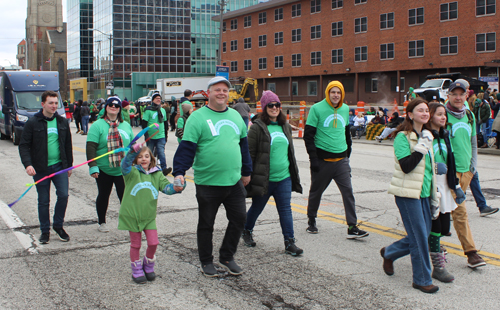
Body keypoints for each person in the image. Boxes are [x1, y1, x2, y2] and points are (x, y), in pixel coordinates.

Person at [172, 76, 252, 277]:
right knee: (207, 224)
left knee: (240, 219)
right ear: (209, 94)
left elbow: (243, 147)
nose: (222, 93)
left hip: (233, 181)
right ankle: (206, 261)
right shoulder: (197, 118)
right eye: (217, 90)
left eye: (225, 90)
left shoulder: (235, 116)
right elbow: (187, 148)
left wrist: (246, 171)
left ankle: (227, 256)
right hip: (208, 182)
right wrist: (179, 172)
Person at [382, 98, 440, 294]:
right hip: (408, 194)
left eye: (427, 111)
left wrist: (435, 193)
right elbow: (407, 166)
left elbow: (428, 169)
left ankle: (390, 252)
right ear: (410, 114)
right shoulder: (402, 137)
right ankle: (422, 279)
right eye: (420, 110)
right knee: (420, 239)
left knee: (421, 235)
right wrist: (421, 148)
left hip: (424, 193)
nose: (425, 113)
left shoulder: (427, 135)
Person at [242, 90, 303, 256]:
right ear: (264, 107)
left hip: (284, 177)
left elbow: (289, 152)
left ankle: (290, 242)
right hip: (264, 178)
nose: (274, 107)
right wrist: (246, 173)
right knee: (257, 207)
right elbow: (249, 153)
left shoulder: (285, 126)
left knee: (285, 209)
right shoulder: (257, 128)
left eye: (277, 104)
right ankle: (246, 230)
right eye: (271, 105)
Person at [304, 81, 368, 238]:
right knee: (316, 192)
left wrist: (348, 153)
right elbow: (308, 136)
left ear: (342, 94)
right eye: (332, 92)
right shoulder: (317, 109)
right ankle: (311, 220)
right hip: (322, 160)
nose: (335, 95)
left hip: (341, 160)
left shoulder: (345, 109)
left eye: (338, 92)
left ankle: (352, 226)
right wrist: (314, 160)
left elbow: (346, 133)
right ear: (327, 93)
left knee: (348, 193)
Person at [119, 143, 185, 284]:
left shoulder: (156, 173)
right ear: (136, 159)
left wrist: (177, 187)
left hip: (149, 216)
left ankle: (148, 265)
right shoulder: (131, 172)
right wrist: (131, 152)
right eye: (140, 157)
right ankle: (136, 269)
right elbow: (124, 166)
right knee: (135, 245)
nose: (144, 159)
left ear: (152, 159)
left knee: (153, 243)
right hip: (132, 216)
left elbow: (166, 188)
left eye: (147, 156)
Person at [18, 90, 73, 244]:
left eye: (56, 103)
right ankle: (45, 231)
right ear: (43, 104)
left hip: (59, 166)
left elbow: (68, 145)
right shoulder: (33, 122)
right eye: (51, 103)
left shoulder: (62, 122)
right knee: (44, 200)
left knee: (63, 195)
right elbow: (24, 146)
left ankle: (58, 225)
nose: (54, 106)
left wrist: (69, 166)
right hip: (40, 168)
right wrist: (28, 165)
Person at [444, 81, 487, 268]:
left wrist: (472, 168)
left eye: (462, 94)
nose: (458, 97)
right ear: (448, 95)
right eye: (455, 94)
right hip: (446, 174)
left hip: (465, 173)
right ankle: (471, 252)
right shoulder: (441, 115)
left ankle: (470, 252)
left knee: (457, 212)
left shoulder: (469, 115)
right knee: (448, 212)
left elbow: (473, 142)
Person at [425, 102, 466, 283]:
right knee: (435, 227)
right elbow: (419, 163)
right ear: (431, 116)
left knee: (443, 228)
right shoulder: (425, 136)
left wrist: (455, 185)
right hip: (431, 187)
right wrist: (434, 167)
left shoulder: (445, 135)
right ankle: (438, 267)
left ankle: (397, 251)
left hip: (445, 186)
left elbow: (451, 161)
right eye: (439, 114)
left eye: (444, 115)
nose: (443, 117)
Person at [86, 96, 134, 233]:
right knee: (103, 195)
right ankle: (102, 222)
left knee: (125, 196)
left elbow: (132, 145)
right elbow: (91, 148)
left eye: (116, 106)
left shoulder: (126, 125)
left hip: (122, 170)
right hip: (103, 169)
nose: (113, 107)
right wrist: (93, 166)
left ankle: (128, 220)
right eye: (110, 105)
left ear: (119, 109)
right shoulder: (97, 125)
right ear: (106, 107)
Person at [142, 93, 172, 176]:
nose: (158, 100)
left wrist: (166, 135)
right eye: (156, 98)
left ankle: (164, 168)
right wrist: (146, 134)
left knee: (161, 152)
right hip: (151, 136)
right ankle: (148, 168)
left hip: (161, 135)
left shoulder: (162, 110)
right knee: (149, 153)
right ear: (152, 100)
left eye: (159, 98)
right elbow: (144, 123)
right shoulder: (148, 110)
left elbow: (165, 123)